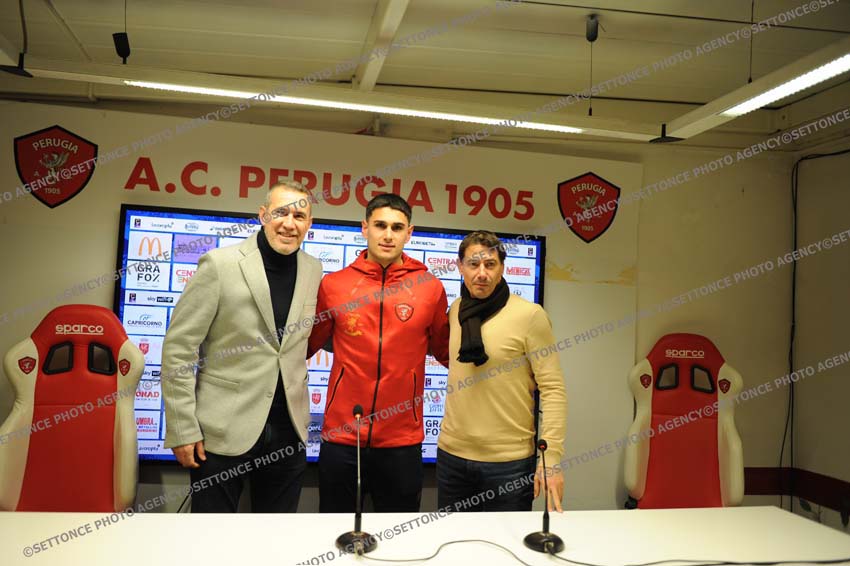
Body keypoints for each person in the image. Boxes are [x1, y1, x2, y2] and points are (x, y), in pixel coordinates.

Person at [161, 181, 322, 513]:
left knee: (276, 537)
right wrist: (181, 428)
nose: (289, 223)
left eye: (299, 216)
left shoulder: (313, 269)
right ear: (263, 215)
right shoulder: (219, 264)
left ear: (309, 223)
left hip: (288, 434)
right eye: (280, 213)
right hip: (221, 432)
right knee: (211, 536)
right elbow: (179, 348)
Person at [308, 193, 449, 513]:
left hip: (402, 440)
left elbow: (447, 352)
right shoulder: (335, 285)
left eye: (397, 228)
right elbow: (304, 346)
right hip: (343, 437)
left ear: (409, 233)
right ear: (365, 228)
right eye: (380, 225)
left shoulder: (429, 287)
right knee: (335, 529)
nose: (388, 235)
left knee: (398, 534)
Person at [437, 230, 568, 512]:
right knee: (453, 541)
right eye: (473, 264)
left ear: (502, 268)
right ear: (460, 267)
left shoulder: (530, 316)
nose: (482, 273)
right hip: (452, 458)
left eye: (490, 264)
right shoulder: (456, 310)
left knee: (508, 542)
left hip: (509, 465)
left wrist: (551, 458)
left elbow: (553, 390)